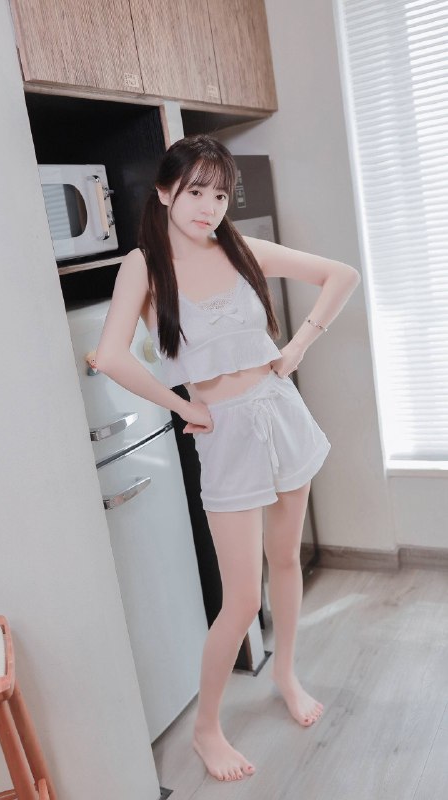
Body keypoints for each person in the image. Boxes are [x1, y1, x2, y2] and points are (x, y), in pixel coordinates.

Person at [90, 134, 360, 782]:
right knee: (239, 599)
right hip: (225, 434)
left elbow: (341, 275)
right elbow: (110, 355)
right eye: (195, 192)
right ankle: (206, 729)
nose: (208, 207)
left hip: (280, 412)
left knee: (284, 559)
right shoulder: (143, 267)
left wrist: (296, 348)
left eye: (219, 194)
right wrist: (181, 405)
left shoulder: (238, 248)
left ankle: (286, 673)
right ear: (164, 192)